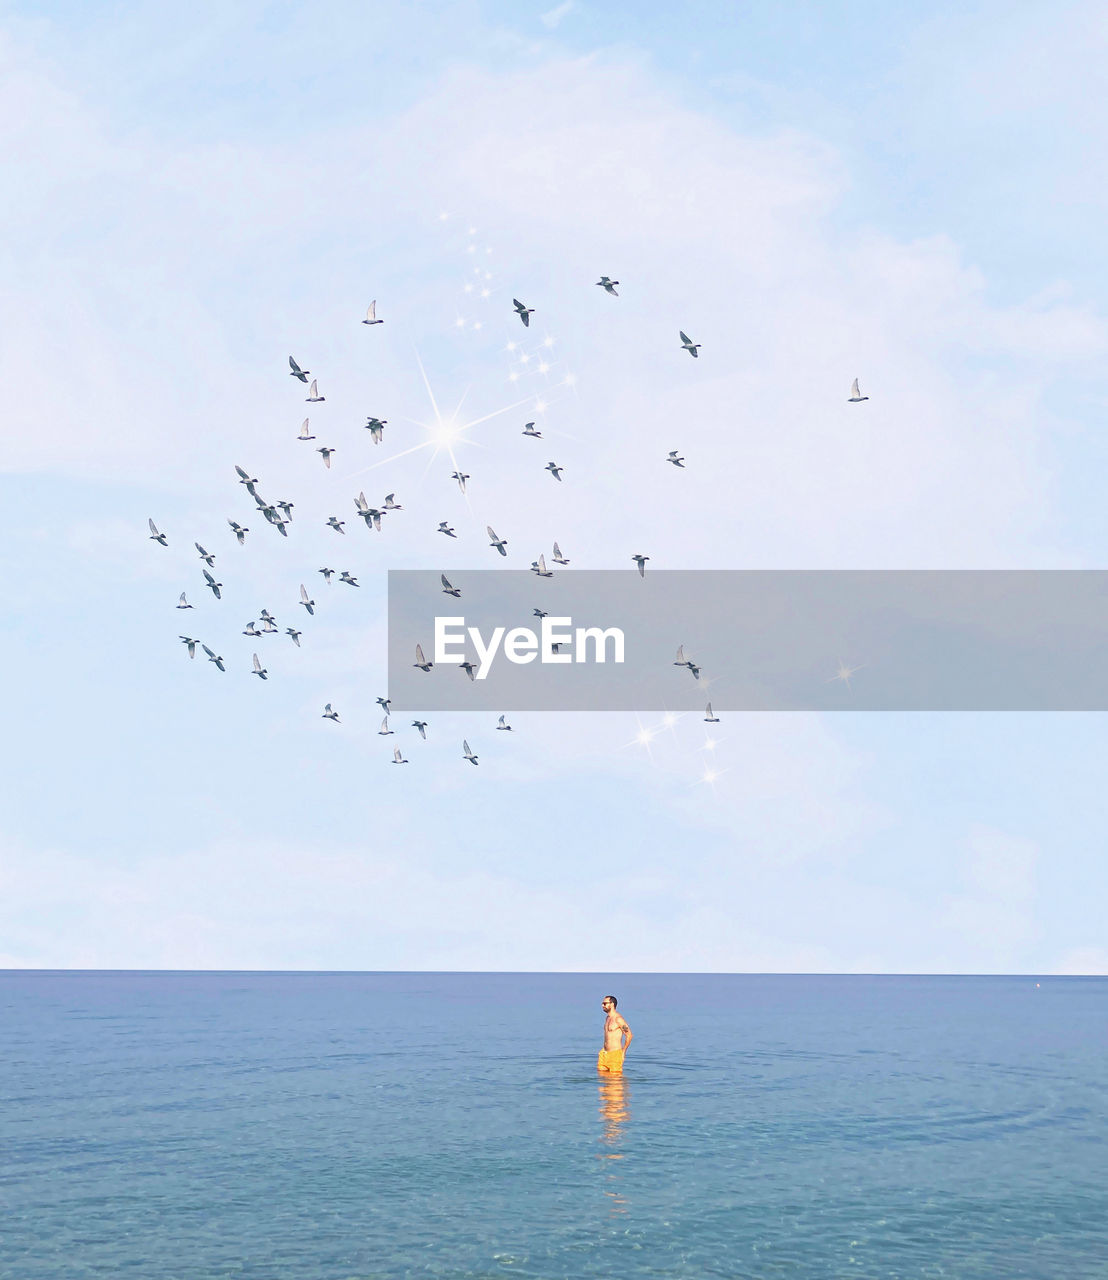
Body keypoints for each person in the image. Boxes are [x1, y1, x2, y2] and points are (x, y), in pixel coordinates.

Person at [597, 994, 632, 1073]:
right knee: (602, 1081)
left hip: (615, 1055)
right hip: (604, 1054)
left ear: (612, 1004)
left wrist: (623, 1052)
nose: (602, 1005)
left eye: (605, 1003)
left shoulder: (618, 1019)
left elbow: (629, 1035)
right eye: (602, 1003)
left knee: (614, 1082)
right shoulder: (608, 1018)